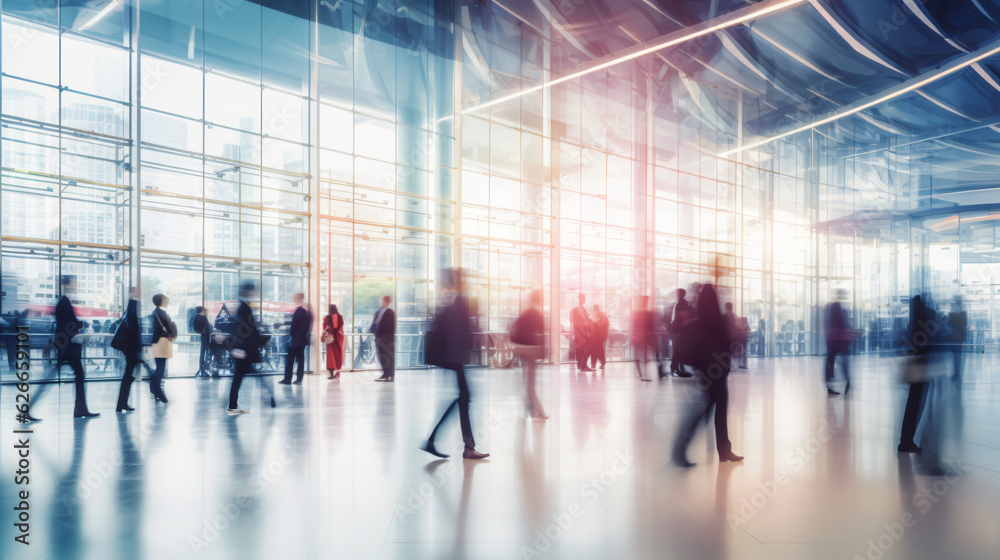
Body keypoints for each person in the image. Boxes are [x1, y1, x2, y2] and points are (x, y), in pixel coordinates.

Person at [671, 284, 743, 467]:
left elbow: (685, 348)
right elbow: (729, 345)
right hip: (718, 374)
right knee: (710, 409)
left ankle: (722, 450)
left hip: (709, 373)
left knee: (710, 408)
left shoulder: (699, 323)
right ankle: (681, 449)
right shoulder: (716, 322)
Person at [421, 268, 489, 460]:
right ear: (460, 282)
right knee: (463, 399)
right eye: (465, 279)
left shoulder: (454, 300)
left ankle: (438, 441)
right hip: (456, 357)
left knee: (463, 399)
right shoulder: (460, 300)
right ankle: (465, 446)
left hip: (454, 358)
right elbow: (460, 333)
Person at [898, 295, 935, 454]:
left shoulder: (913, 322)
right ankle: (907, 441)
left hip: (917, 364)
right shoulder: (924, 321)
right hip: (921, 366)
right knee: (915, 404)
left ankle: (906, 440)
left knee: (914, 403)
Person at [228, 282, 270, 415]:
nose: (253, 293)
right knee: (243, 376)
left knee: (239, 377)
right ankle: (269, 396)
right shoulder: (244, 308)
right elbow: (246, 330)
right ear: (247, 292)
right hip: (244, 350)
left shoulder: (242, 306)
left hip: (243, 349)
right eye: (252, 291)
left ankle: (233, 405)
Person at [114, 287, 150, 412]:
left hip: (131, 349)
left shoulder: (131, 306)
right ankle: (121, 404)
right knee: (128, 376)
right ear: (133, 293)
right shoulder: (133, 305)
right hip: (132, 349)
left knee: (128, 376)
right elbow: (134, 329)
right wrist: (138, 348)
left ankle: (122, 403)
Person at [512, 291, 547, 420]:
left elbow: (515, 329)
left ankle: (532, 409)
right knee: (531, 382)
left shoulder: (525, 314)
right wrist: (543, 351)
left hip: (520, 348)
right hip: (531, 350)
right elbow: (542, 334)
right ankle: (537, 411)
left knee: (527, 380)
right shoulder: (537, 315)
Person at [149, 293, 176, 403]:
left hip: (158, 342)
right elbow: (168, 327)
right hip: (162, 342)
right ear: (161, 301)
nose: (167, 300)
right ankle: (157, 391)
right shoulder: (161, 312)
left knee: (159, 367)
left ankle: (155, 390)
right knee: (160, 368)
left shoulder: (156, 312)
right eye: (165, 299)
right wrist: (171, 334)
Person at [824, 290, 853, 396]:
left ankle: (830, 385)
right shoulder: (842, 309)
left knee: (830, 362)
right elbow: (845, 324)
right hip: (840, 339)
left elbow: (828, 323)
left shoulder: (830, 308)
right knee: (843, 362)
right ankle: (847, 381)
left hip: (832, 339)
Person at [280, 293, 312, 385]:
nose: (294, 299)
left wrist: (291, 333)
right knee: (300, 360)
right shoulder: (307, 311)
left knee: (290, 360)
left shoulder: (299, 310)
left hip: (296, 340)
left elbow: (294, 325)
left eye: (295, 297)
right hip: (302, 340)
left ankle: (288, 379)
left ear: (299, 298)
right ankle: (298, 379)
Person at [370, 295, 396, 382]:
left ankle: (390, 375)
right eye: (382, 300)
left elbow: (392, 327)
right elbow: (375, 323)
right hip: (379, 337)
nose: (382, 302)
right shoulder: (378, 312)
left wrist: (388, 337)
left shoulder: (390, 312)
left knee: (388, 356)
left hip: (387, 338)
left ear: (388, 301)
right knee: (381, 356)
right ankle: (385, 373)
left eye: (384, 300)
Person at [630, 296, 655, 382]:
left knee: (640, 355)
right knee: (641, 356)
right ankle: (642, 374)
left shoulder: (639, 313)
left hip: (641, 337)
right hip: (641, 337)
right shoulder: (643, 313)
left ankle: (641, 373)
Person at [670, 289, 692, 377]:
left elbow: (676, 319)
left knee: (679, 350)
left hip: (680, 331)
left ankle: (677, 367)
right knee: (681, 350)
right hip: (683, 330)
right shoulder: (683, 304)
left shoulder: (678, 304)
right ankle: (680, 367)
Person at [569, 293, 593, 372]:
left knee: (589, 347)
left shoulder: (583, 309)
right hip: (579, 333)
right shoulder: (575, 310)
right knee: (581, 349)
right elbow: (573, 321)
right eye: (583, 298)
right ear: (580, 299)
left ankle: (583, 365)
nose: (584, 300)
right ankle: (582, 365)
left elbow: (586, 320)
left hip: (584, 332)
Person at [323, 304, 346, 379]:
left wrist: (330, 332)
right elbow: (341, 325)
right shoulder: (340, 317)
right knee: (338, 355)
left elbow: (325, 327)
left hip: (331, 338)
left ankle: (332, 373)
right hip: (339, 338)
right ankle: (338, 372)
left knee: (331, 356)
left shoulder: (327, 318)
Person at [947, 296, 967, 381]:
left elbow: (949, 323)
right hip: (960, 337)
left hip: (954, 336)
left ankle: (956, 373)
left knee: (955, 356)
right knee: (958, 355)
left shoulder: (953, 312)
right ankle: (957, 373)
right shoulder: (963, 313)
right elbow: (965, 324)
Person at [193, 306, 213, 378]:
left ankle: (201, 369)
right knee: (206, 353)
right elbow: (209, 329)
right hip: (205, 337)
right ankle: (204, 370)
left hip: (201, 337)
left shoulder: (196, 317)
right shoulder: (203, 318)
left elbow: (195, 328)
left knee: (202, 354)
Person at [589, 304, 609, 370]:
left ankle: (594, 364)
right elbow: (606, 327)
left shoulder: (595, 315)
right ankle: (602, 363)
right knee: (600, 350)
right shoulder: (603, 315)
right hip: (600, 335)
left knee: (594, 350)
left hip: (596, 336)